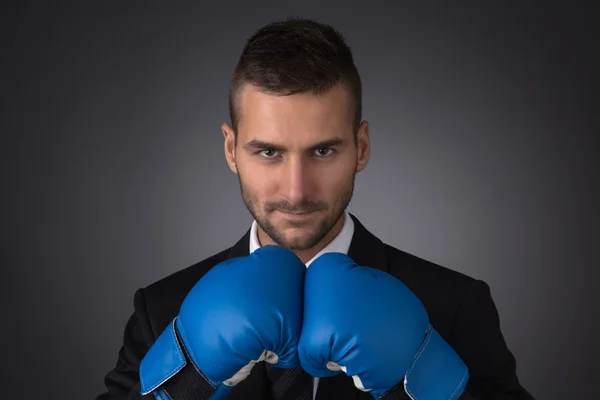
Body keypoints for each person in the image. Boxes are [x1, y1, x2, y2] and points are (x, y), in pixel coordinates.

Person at [97, 17, 535, 400]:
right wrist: (186, 381)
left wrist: (419, 381)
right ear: (231, 150)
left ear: (361, 148)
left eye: (323, 151)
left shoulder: (453, 304)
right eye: (268, 152)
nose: (296, 189)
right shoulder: (162, 310)